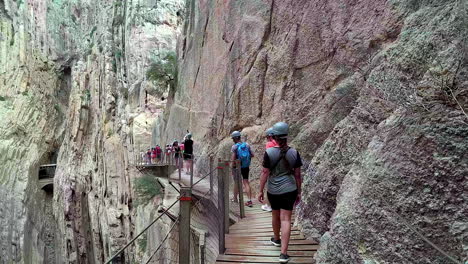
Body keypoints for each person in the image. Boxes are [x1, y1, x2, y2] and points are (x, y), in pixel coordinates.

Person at [258, 122, 302, 263]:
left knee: (275, 215)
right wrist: (299, 192)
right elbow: (297, 175)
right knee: (286, 219)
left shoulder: (269, 152)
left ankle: (276, 239)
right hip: (289, 189)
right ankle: (283, 254)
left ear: (274, 137)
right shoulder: (294, 153)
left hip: (273, 190)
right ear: (286, 136)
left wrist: (260, 190)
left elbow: (265, 172)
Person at [230, 131, 254, 207]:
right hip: (245, 166)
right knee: (246, 182)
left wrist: (232, 167)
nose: (233, 140)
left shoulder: (235, 147)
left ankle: (235, 199)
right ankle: (249, 201)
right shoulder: (246, 145)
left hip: (237, 167)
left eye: (233, 138)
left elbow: (233, 158)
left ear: (234, 138)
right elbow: (252, 155)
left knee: (236, 182)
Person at [261, 127, 277, 212]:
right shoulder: (280, 143)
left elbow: (268, 156)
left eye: (267, 137)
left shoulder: (269, 144)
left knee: (270, 187)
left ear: (270, 136)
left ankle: (270, 206)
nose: (267, 139)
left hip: (271, 168)